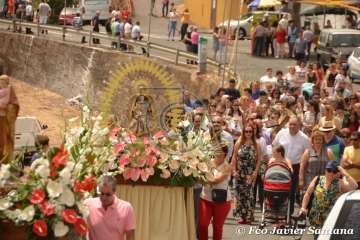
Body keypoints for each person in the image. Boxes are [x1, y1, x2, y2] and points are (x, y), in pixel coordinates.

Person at [299, 161, 357, 236]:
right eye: (329, 170)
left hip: (330, 221)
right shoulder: (318, 179)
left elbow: (354, 186)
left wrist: (344, 173)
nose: (330, 173)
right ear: (325, 170)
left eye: (334, 171)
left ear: (337, 173)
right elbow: (308, 194)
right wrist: (303, 207)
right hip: (315, 219)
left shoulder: (340, 183)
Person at [273, 116, 310, 214]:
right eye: (290, 124)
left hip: (295, 167)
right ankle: (278, 212)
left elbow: (307, 155)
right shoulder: (281, 133)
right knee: (278, 190)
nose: (292, 126)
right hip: (280, 165)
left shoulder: (304, 138)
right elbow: (274, 146)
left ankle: (288, 214)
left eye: (295, 124)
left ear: (299, 125)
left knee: (291, 191)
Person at [84, 175, 135, 240]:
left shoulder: (126, 208)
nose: (104, 198)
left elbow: (130, 236)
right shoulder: (88, 204)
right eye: (101, 193)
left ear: (114, 192)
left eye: (108, 194)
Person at [198, 145, 232, 240]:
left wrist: (204, 177)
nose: (216, 153)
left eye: (219, 151)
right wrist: (203, 177)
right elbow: (199, 177)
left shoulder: (227, 167)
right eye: (215, 150)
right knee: (203, 225)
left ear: (224, 154)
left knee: (217, 227)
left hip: (222, 201)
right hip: (205, 198)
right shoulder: (207, 163)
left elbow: (216, 180)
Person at [232, 125, 261, 224]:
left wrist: (255, 172)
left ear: (253, 132)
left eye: (250, 131)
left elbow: (258, 160)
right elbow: (234, 158)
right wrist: (234, 171)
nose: (248, 133)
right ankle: (240, 215)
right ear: (243, 132)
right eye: (246, 131)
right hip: (240, 172)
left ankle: (249, 216)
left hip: (250, 173)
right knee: (239, 194)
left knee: (249, 194)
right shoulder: (239, 143)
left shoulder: (256, 144)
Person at [0, 75, 19, 164]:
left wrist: (8, 108)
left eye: (3, 82)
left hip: (6, 120)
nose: (1, 84)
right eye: (0, 82)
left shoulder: (10, 91)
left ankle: (6, 160)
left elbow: (15, 105)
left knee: (6, 141)